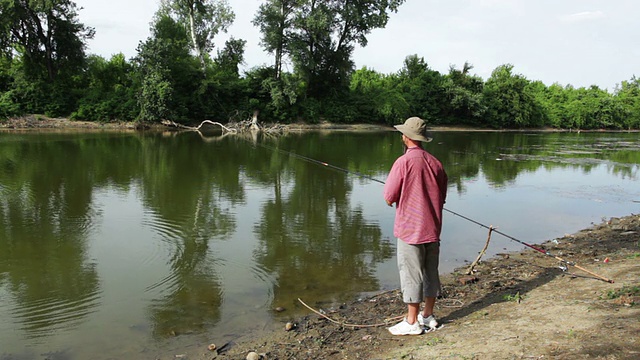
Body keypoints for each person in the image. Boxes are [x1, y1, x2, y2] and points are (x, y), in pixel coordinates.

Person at [383, 116, 448, 336]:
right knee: (431, 272)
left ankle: (412, 322)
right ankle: (428, 316)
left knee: (411, 274)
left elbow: (389, 197)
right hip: (433, 228)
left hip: (410, 230)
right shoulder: (436, 163)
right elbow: (442, 196)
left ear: (406, 137)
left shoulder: (403, 162)